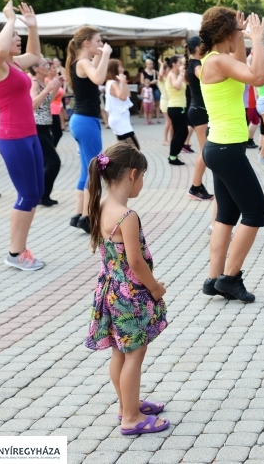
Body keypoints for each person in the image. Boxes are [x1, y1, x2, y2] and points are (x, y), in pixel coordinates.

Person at [85, 143, 169, 436]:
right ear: (133, 174)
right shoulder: (127, 215)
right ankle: (131, 418)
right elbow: (135, 261)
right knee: (135, 352)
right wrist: (155, 288)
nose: (143, 183)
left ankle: (126, 404)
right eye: (143, 176)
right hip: (130, 295)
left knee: (120, 353)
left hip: (109, 291)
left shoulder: (100, 205)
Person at [198, 7, 264, 303]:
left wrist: (240, 35)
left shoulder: (216, 60)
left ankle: (215, 278)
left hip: (221, 147)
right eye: (235, 34)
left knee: (227, 214)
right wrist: (257, 39)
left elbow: (241, 65)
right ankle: (230, 278)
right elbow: (259, 76)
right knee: (255, 212)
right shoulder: (218, 62)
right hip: (226, 148)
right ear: (226, 35)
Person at [0, 0, 45, 269]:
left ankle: (20, 249)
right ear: (2, 39)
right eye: (14, 35)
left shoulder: (16, 64)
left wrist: (32, 27)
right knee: (27, 194)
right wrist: (10, 18)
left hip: (29, 135)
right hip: (12, 137)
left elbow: (35, 56)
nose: (18, 39)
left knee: (36, 191)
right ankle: (14, 253)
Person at [66, 25, 113, 234]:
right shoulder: (83, 62)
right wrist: (107, 55)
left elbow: (96, 73)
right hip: (86, 121)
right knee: (95, 170)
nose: (101, 45)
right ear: (86, 43)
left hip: (81, 120)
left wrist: (101, 56)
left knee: (87, 168)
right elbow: (99, 78)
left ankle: (79, 214)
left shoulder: (81, 61)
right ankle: (88, 217)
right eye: (98, 42)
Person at [29, 58, 63, 206]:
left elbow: (47, 101)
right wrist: (49, 89)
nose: (48, 66)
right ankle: (41, 195)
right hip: (36, 127)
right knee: (54, 162)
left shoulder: (44, 82)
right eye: (44, 65)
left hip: (45, 126)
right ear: (35, 68)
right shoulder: (34, 83)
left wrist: (56, 86)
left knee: (44, 163)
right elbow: (33, 104)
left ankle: (43, 195)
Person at [184, 36, 214, 201]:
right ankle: (195, 187)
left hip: (198, 110)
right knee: (204, 151)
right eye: (203, 44)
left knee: (205, 150)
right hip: (199, 111)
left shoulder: (193, 64)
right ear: (197, 48)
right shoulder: (196, 65)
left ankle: (198, 186)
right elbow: (204, 77)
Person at [104, 59, 139, 149]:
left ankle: (124, 163)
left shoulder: (116, 82)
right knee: (135, 149)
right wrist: (122, 82)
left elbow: (128, 94)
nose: (123, 69)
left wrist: (123, 82)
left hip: (120, 120)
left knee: (125, 151)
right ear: (114, 69)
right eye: (120, 67)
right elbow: (122, 97)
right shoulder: (112, 83)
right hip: (120, 121)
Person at [47, 63, 65, 148]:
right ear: (49, 70)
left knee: (56, 133)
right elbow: (49, 95)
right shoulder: (46, 81)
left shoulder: (55, 80)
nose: (56, 69)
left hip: (57, 110)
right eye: (53, 68)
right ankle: (51, 149)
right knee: (57, 133)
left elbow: (62, 93)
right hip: (51, 110)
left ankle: (51, 149)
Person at [140, 59, 161, 123]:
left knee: (157, 104)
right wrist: (150, 83)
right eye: (149, 64)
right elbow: (142, 82)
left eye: (152, 64)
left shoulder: (155, 72)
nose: (151, 65)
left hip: (155, 88)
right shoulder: (143, 72)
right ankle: (149, 118)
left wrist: (157, 80)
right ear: (146, 64)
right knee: (150, 104)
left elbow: (160, 78)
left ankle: (158, 118)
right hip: (147, 90)